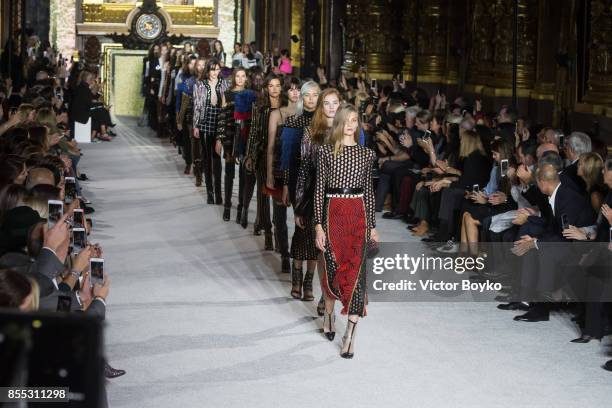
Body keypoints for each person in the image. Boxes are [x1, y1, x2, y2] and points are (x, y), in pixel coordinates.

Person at [314, 103, 378, 359]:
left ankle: (350, 335)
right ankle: (329, 314)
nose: (351, 124)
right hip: (332, 214)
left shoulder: (366, 154)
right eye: (347, 120)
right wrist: (318, 225)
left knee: (357, 274)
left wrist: (372, 226)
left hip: (357, 216)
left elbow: (369, 193)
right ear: (339, 123)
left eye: (355, 119)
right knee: (331, 269)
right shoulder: (326, 152)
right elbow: (319, 190)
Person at [292, 88, 341, 303]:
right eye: (327, 103)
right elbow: (303, 169)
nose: (331, 107)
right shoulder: (311, 131)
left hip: (338, 197)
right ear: (321, 107)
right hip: (313, 194)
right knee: (307, 241)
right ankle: (301, 281)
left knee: (331, 250)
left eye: (335, 103)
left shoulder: (346, 131)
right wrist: (299, 205)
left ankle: (325, 296)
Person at [243, 74, 282, 249]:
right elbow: (253, 133)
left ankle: (277, 230)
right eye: (271, 85)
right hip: (261, 154)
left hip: (279, 158)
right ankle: (267, 231)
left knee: (277, 196)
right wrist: (250, 155)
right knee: (263, 195)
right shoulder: (258, 107)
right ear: (266, 88)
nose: (275, 89)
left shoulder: (285, 107)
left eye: (278, 85)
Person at [266, 77, 301, 272]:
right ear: (286, 92)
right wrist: (269, 173)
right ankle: (285, 254)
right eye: (291, 89)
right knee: (279, 216)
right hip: (280, 168)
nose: (295, 93)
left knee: (300, 215)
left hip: (300, 171)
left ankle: (296, 253)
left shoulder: (308, 114)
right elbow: (271, 147)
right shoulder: (277, 114)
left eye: (298, 90)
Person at [216, 68, 257, 221]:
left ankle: (241, 207)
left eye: (243, 76)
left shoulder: (250, 95)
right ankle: (227, 205)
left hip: (244, 137)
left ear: (246, 78)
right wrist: (219, 139)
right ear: (234, 77)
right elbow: (221, 117)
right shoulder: (227, 94)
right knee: (229, 172)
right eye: (237, 76)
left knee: (243, 175)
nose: (240, 79)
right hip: (229, 135)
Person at [193, 58, 225, 204]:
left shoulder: (224, 84)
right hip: (205, 123)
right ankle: (210, 193)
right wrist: (195, 125)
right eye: (212, 69)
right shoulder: (200, 85)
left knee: (217, 159)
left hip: (219, 124)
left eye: (217, 69)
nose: (214, 72)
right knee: (206, 159)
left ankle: (218, 193)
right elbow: (197, 106)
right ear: (208, 70)